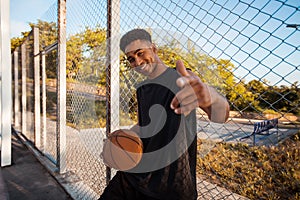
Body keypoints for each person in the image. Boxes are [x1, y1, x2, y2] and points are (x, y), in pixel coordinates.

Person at [100, 28, 230, 200]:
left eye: (140, 53)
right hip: (137, 174)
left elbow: (221, 115)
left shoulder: (181, 78)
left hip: (172, 184)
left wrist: (210, 98)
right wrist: (115, 144)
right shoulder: (142, 89)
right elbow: (143, 125)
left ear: (154, 49)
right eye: (131, 59)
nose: (137, 61)